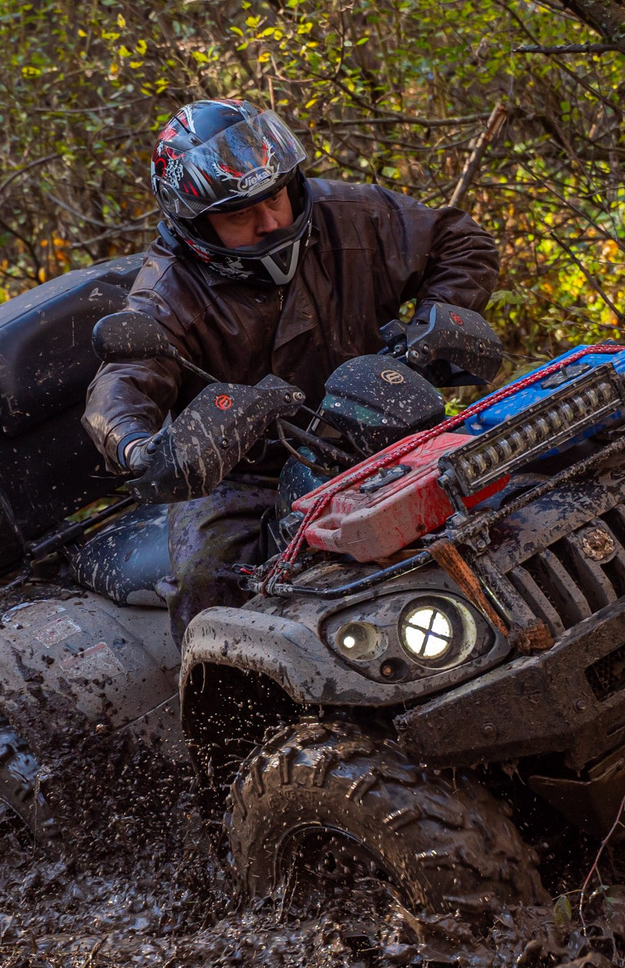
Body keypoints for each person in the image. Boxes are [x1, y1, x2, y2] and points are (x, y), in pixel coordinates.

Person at [83, 99, 500, 639]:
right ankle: (234, 714)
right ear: (194, 222)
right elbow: (122, 380)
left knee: (512, 472)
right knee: (208, 578)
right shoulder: (168, 293)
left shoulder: (350, 212)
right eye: (239, 215)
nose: (271, 221)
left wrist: (429, 329)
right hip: (248, 472)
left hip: (387, 422)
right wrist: (138, 446)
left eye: (275, 196)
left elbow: (459, 241)